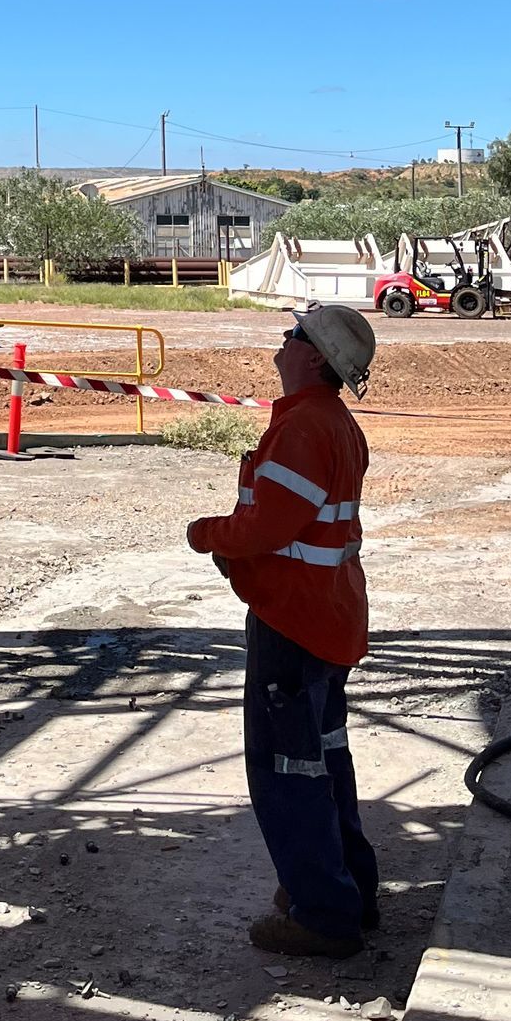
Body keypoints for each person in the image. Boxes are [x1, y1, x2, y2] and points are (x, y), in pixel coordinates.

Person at [184, 301, 379, 959]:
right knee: (324, 757)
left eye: (295, 336)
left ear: (316, 357)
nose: (284, 342)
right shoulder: (330, 423)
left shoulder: (304, 429)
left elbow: (271, 527)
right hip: (329, 619)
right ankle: (346, 885)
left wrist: (210, 535)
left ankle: (323, 912)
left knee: (287, 769)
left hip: (293, 623)